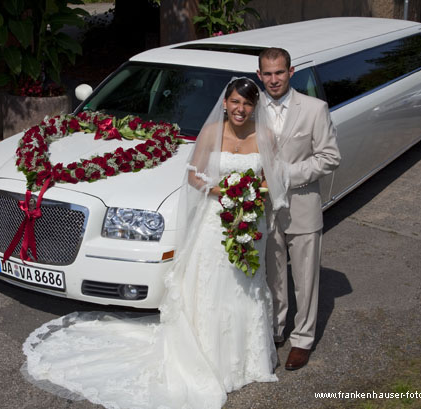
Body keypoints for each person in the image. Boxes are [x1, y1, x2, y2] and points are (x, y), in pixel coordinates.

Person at [21, 78, 287, 409]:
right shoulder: (211, 133)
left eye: (247, 104)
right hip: (214, 220)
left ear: (255, 107)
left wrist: (248, 194)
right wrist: (224, 191)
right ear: (225, 103)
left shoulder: (265, 137)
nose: (240, 109)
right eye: (235, 101)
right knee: (213, 282)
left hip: (249, 220)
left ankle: (245, 358)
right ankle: (207, 355)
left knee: (245, 282)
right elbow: (194, 175)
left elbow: (271, 180)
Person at [256, 48, 341, 371]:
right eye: (267, 73)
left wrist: (286, 174)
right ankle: (275, 330)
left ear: (291, 72)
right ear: (259, 75)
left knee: (305, 279)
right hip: (264, 209)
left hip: (302, 205)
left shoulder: (315, 109)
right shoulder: (251, 107)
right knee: (273, 276)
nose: (274, 79)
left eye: (279, 72)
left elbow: (330, 157)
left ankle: (302, 339)